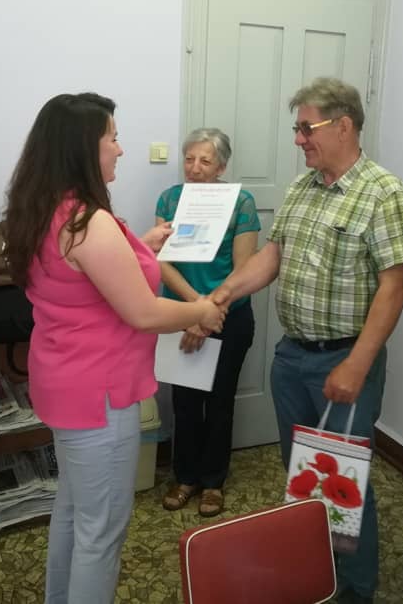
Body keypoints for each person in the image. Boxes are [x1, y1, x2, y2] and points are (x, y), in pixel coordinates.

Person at [1, 93, 226, 604]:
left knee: (74, 510)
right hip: (99, 395)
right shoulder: (88, 221)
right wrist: (200, 311)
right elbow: (143, 312)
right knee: (100, 532)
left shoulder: (43, 208)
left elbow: (84, 278)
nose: (120, 150)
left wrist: (142, 244)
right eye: (113, 139)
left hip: (65, 383)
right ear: (84, 147)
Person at [211, 77, 403, 604]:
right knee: (302, 476)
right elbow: (272, 256)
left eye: (307, 128)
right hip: (292, 357)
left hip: (344, 360)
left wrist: (357, 365)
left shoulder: (384, 194)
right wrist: (222, 294)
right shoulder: (302, 188)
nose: (298, 139)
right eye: (297, 128)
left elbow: (395, 288)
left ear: (343, 126)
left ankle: (354, 590)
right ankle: (316, 570)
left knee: (343, 482)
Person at [155, 128, 260, 517]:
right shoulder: (169, 199)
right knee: (184, 403)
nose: (195, 168)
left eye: (205, 160)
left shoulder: (241, 202)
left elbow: (244, 270)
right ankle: (185, 477)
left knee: (219, 403)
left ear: (221, 167)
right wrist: (195, 309)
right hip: (182, 312)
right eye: (189, 159)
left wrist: (208, 316)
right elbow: (161, 262)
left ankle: (213, 481)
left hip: (229, 315)